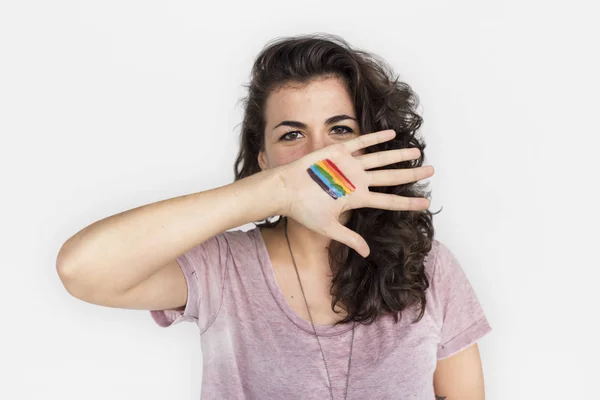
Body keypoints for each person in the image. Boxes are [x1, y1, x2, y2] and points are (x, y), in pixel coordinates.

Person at [57, 33, 492, 399]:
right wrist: (281, 189)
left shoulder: (429, 265)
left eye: (340, 129)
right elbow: (82, 269)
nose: (320, 154)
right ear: (262, 160)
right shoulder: (224, 268)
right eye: (292, 135)